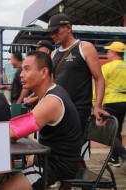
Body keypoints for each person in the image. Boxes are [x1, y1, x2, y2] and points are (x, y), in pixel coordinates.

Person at [0, 51, 82, 190]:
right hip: (50, 157)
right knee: (28, 160)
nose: (21, 74)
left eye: (27, 69)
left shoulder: (51, 101)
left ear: (44, 72)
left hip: (56, 165)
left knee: (5, 188)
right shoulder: (53, 91)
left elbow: (14, 132)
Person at [47, 13, 107, 159]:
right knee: (64, 153)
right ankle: (68, 180)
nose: (53, 35)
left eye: (57, 31)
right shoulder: (54, 53)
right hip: (60, 111)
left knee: (75, 154)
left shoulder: (84, 47)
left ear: (68, 28)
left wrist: (97, 105)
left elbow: (99, 78)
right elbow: (52, 84)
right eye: (51, 32)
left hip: (79, 110)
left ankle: (70, 180)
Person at [98, 41, 126, 170]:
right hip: (124, 102)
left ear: (114, 53)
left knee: (109, 133)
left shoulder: (107, 67)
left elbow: (100, 86)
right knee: (117, 130)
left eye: (109, 51)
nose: (107, 53)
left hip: (111, 102)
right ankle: (114, 158)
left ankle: (123, 153)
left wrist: (95, 103)